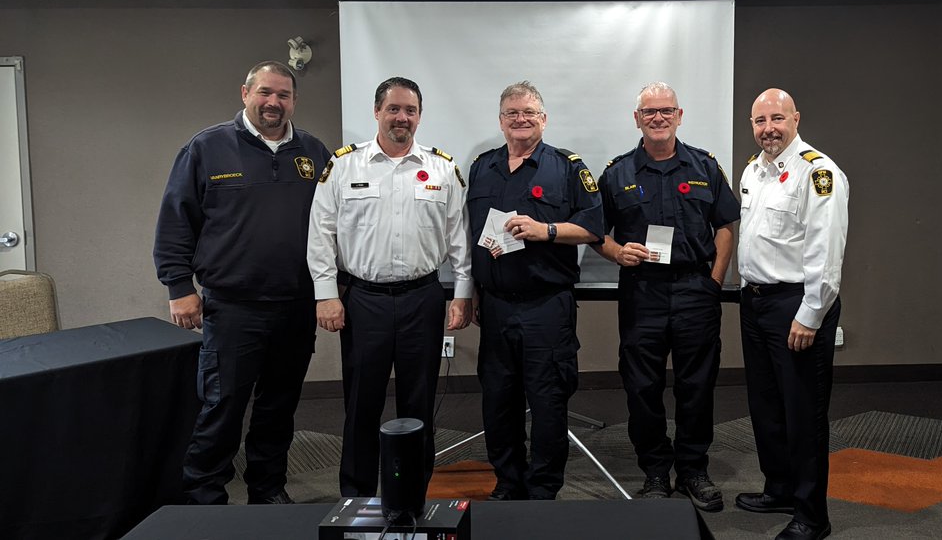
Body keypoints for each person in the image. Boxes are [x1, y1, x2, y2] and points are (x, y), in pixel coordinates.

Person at [153, 60, 331, 505]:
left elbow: (335, 224)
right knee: (223, 406)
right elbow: (176, 222)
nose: (274, 102)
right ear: (245, 93)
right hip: (233, 306)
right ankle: (204, 498)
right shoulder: (206, 147)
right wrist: (179, 287)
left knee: (279, 407)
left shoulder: (314, 152)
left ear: (294, 101)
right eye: (265, 93)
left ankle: (267, 491)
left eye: (284, 95)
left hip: (295, 304)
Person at [306, 77, 472, 497]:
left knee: (420, 403)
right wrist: (326, 294)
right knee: (362, 404)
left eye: (410, 110)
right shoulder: (343, 166)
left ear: (419, 116)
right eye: (394, 109)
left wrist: (463, 294)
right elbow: (320, 232)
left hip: (423, 298)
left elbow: (460, 238)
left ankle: (414, 494)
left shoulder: (441, 168)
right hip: (364, 301)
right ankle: (357, 495)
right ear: (377, 112)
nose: (402, 118)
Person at [593, 82, 739, 510]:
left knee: (697, 385)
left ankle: (693, 469)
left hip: (696, 290)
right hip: (643, 293)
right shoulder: (617, 172)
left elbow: (726, 225)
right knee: (642, 386)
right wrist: (617, 251)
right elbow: (594, 232)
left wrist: (714, 281)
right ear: (636, 119)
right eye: (649, 112)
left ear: (679, 115)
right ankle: (655, 471)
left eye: (666, 110)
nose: (658, 117)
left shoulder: (705, 166)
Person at [466, 80, 604, 501]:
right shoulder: (482, 166)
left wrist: (545, 230)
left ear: (543, 120)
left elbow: (593, 229)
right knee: (498, 401)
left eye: (529, 113)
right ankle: (508, 482)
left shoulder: (567, 167)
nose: (520, 120)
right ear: (501, 121)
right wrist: (471, 292)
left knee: (547, 403)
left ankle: (544, 490)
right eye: (512, 113)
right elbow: (470, 234)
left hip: (546, 308)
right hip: (495, 307)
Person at [735, 88, 849, 540]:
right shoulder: (753, 170)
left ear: (796, 118)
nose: (768, 129)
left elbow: (826, 252)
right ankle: (779, 488)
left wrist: (811, 313)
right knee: (766, 406)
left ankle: (811, 515)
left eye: (777, 119)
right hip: (756, 301)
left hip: (795, 305)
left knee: (803, 413)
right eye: (760, 121)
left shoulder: (819, 174)